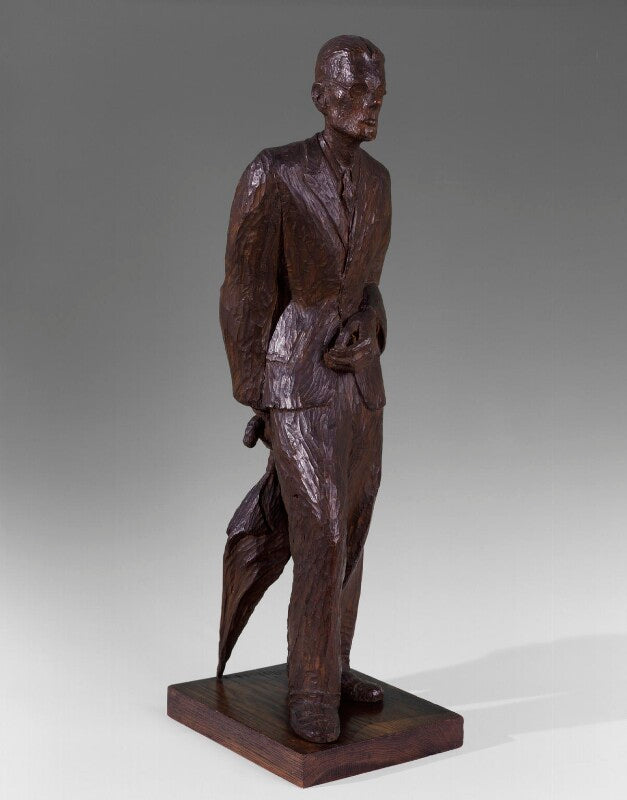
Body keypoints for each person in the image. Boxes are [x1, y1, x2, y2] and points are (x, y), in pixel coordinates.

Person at [218, 34, 391, 743]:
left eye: (376, 92)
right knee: (319, 529)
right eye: (352, 91)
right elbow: (244, 288)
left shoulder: (379, 182)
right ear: (320, 96)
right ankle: (309, 689)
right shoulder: (276, 172)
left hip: (360, 384)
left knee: (352, 527)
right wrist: (256, 392)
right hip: (294, 379)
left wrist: (373, 326)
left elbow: (370, 286)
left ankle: (333, 664)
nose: (368, 103)